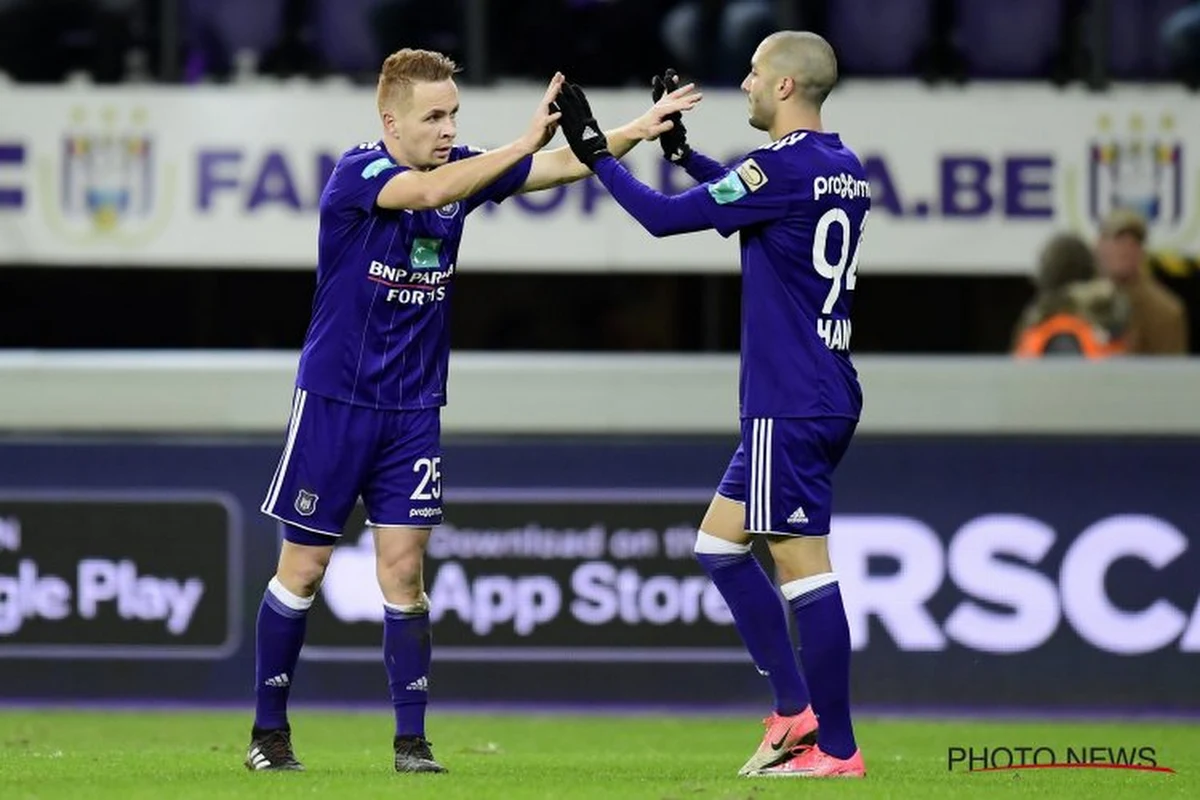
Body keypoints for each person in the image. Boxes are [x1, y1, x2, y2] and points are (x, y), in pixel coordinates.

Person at [245, 48, 701, 774]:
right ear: (390, 120)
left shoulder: (463, 169)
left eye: (455, 112)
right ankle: (268, 733)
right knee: (304, 569)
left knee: (404, 570)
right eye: (433, 116)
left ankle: (411, 743)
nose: (448, 127)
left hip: (414, 408)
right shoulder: (358, 174)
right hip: (336, 401)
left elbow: (560, 168)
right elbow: (428, 195)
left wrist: (641, 128)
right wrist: (520, 145)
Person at [553, 31, 867, 778]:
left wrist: (598, 153)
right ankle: (796, 712)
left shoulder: (780, 169)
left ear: (787, 86)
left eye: (757, 74)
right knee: (719, 545)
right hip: (821, 389)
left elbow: (665, 221)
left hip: (789, 398)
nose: (748, 85)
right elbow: (753, 199)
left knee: (803, 567)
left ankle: (837, 749)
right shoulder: (842, 166)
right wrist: (685, 155)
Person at [1095, 209, 1189, 355]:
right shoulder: (1078, 303)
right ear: (1099, 245)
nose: (1125, 249)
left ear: (1142, 251)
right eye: (1118, 240)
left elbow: (1172, 373)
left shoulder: (1165, 312)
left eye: (1134, 242)